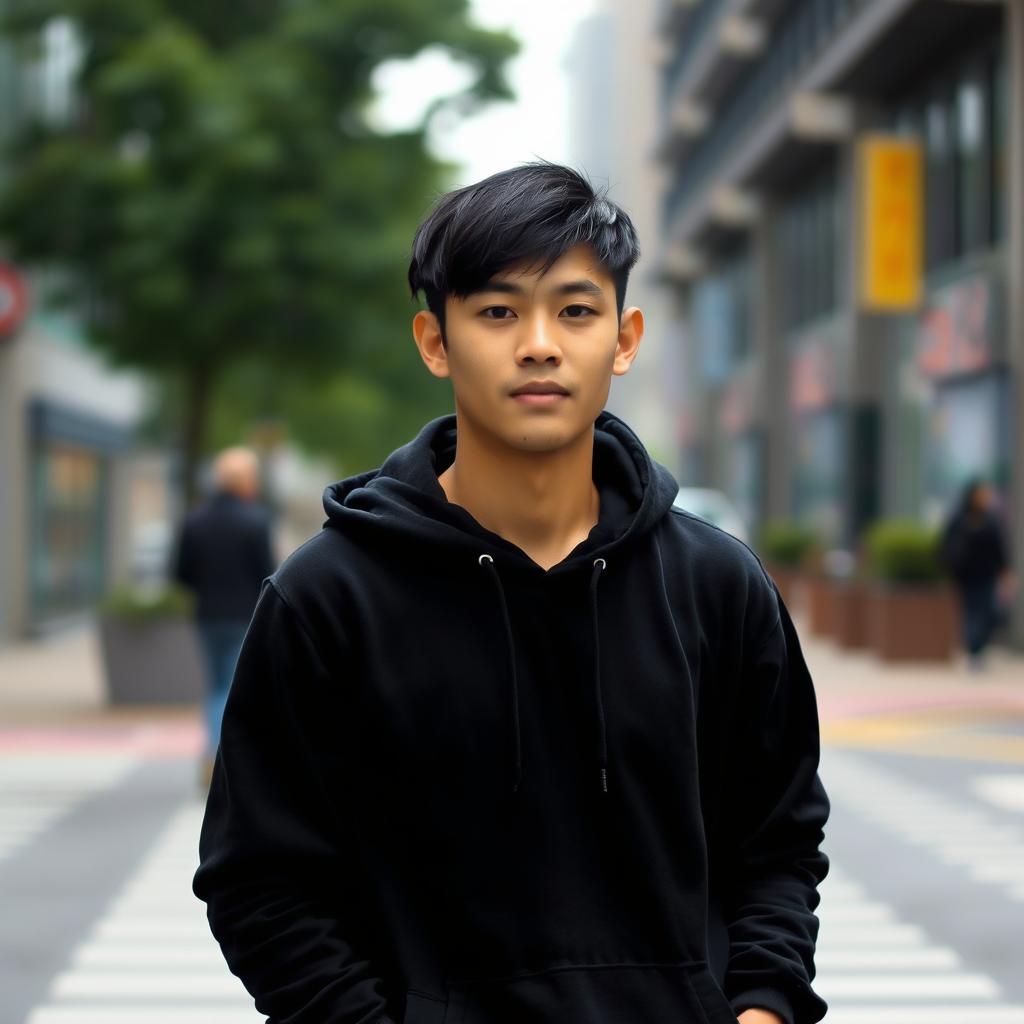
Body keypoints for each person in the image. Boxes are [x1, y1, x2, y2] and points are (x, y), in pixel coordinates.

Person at [194, 164, 829, 1024]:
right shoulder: (328, 600)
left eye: (575, 310)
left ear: (625, 336)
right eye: (498, 312)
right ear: (434, 340)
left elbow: (778, 841)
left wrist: (761, 1008)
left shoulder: (717, 585)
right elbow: (261, 880)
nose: (539, 343)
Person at [173, 446, 277, 780]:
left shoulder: (195, 520)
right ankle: (220, 756)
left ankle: (213, 751)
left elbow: (180, 572)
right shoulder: (256, 521)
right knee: (231, 687)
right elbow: (269, 572)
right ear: (246, 481)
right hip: (244, 615)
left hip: (207, 616)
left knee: (215, 684)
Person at [941, 478, 1015, 669]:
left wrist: (1005, 571)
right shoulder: (959, 518)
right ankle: (974, 652)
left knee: (989, 613)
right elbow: (944, 546)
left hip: (986, 575)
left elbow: (998, 548)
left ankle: (977, 648)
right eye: (981, 494)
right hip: (965, 576)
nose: (985, 497)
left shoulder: (991, 519)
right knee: (970, 612)